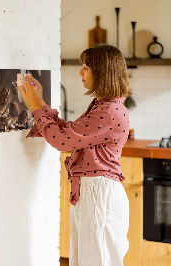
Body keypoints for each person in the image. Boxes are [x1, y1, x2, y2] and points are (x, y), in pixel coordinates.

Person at [19, 44, 131, 266]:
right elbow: (70, 133)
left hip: (99, 195)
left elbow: (62, 141)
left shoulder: (108, 111)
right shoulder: (104, 106)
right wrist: (40, 104)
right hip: (94, 193)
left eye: (86, 67)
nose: (80, 72)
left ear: (102, 72)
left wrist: (34, 108)